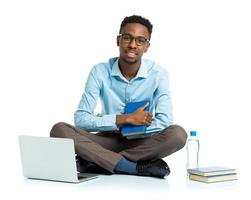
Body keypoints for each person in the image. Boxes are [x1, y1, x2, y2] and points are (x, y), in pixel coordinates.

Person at [50, 15, 187, 178]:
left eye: (140, 40)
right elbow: (81, 119)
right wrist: (124, 119)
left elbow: (164, 121)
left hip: (142, 143)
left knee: (178, 135)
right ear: (118, 40)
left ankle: (99, 161)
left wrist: (130, 130)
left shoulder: (159, 74)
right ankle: (131, 167)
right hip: (107, 141)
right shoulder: (99, 71)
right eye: (127, 38)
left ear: (147, 46)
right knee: (59, 129)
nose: (132, 45)